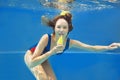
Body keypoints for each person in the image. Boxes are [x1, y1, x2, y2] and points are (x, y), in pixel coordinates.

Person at [24, 11, 119, 80]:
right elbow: (33, 63)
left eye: (64, 27)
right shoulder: (46, 38)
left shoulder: (70, 43)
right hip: (31, 55)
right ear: (54, 28)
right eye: (58, 27)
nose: (61, 30)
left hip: (43, 57)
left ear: (68, 29)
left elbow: (92, 48)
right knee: (42, 77)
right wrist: (52, 52)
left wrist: (108, 47)